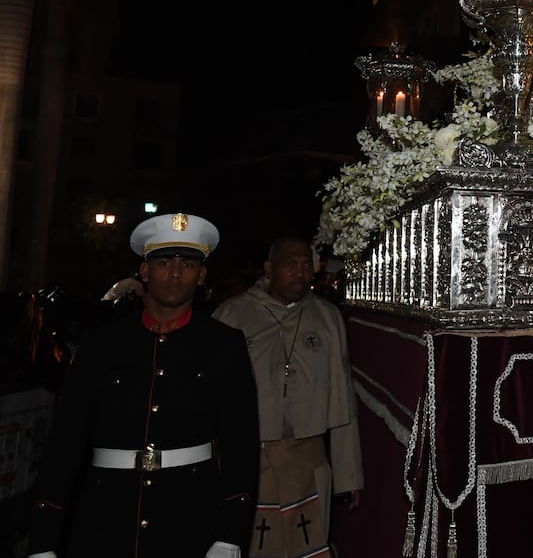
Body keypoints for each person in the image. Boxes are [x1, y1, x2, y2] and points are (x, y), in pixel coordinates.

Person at [27, 212, 259, 558]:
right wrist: (44, 542)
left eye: (188, 264)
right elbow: (65, 442)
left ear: (202, 276)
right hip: (104, 520)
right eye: (165, 262)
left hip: (189, 520)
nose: (176, 273)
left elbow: (240, 444)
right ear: (145, 271)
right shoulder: (102, 345)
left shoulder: (223, 345)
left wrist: (230, 535)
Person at [212, 235, 363, 558]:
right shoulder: (231, 316)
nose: (300, 272)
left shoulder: (327, 318)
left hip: (307, 461)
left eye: (307, 265)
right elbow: (211, 401)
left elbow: (342, 398)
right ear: (268, 269)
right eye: (290, 264)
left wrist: (348, 473)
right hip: (250, 461)